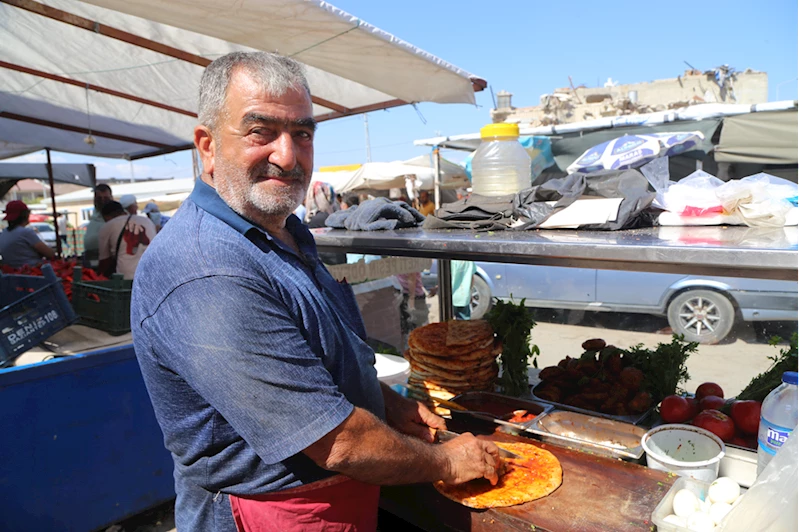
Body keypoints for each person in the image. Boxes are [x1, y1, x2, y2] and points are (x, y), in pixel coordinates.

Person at [130, 52, 502, 532]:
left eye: (302, 134)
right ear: (208, 146)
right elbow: (338, 442)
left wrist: (387, 404)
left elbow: (316, 360)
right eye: (260, 131)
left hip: (334, 502)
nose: (288, 156)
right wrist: (448, 462)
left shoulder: (283, 232)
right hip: (264, 515)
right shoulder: (205, 269)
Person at [97, 201, 156, 279]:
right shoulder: (147, 221)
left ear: (106, 216)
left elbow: (104, 261)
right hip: (152, 274)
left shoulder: (108, 226)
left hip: (126, 277)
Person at [0, 200, 56, 266]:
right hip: (32, 269)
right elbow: (49, 254)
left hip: (10, 270)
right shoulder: (25, 232)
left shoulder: (3, 233)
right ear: (25, 215)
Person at [83, 183, 113, 266]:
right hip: (92, 259)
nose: (102, 201)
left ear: (111, 198)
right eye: (99, 198)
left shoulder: (117, 215)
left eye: (106, 198)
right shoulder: (95, 215)